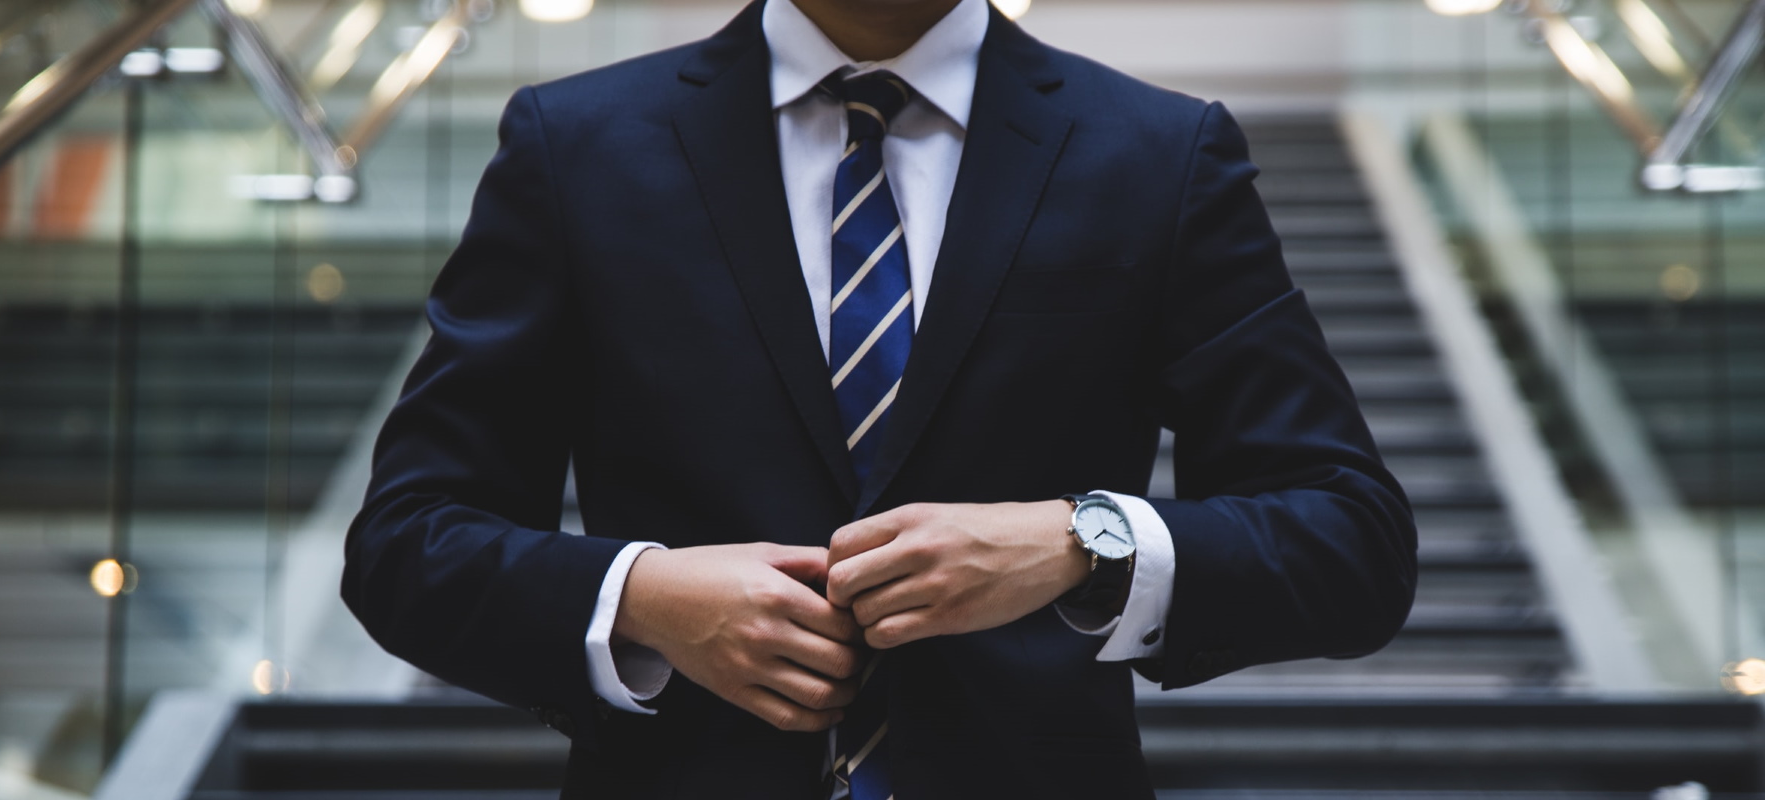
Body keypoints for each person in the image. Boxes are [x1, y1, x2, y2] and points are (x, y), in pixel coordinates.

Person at [341, 0, 1417, 797]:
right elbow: (405, 542)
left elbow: (1351, 538)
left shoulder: (1159, 154)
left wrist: (1087, 541)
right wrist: (643, 597)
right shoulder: (574, 147)